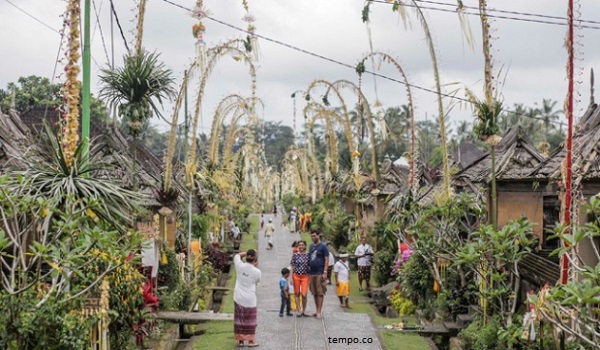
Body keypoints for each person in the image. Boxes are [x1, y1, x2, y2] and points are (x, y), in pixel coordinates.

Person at [233, 250, 261, 348]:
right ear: (255, 260)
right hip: (250, 299)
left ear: (246, 257)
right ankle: (250, 341)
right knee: (250, 320)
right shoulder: (257, 272)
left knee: (239, 319)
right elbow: (257, 281)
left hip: (238, 297)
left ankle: (240, 341)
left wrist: (247, 252)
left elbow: (237, 255)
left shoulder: (239, 265)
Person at [308, 231, 329, 319]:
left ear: (318, 235)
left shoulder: (323, 246)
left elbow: (326, 259)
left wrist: (325, 272)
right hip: (312, 272)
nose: (313, 237)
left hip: (320, 272)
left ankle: (319, 311)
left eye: (314, 235)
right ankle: (316, 310)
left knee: (320, 292)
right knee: (314, 292)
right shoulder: (311, 246)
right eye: (312, 236)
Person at [290, 240, 310, 317]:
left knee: (304, 294)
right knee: (297, 293)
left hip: (305, 276)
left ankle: (304, 310)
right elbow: (292, 266)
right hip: (296, 275)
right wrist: (291, 277)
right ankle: (299, 309)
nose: (301, 247)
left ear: (305, 246)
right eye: (299, 245)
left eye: (302, 245)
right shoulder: (295, 255)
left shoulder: (308, 255)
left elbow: (310, 266)